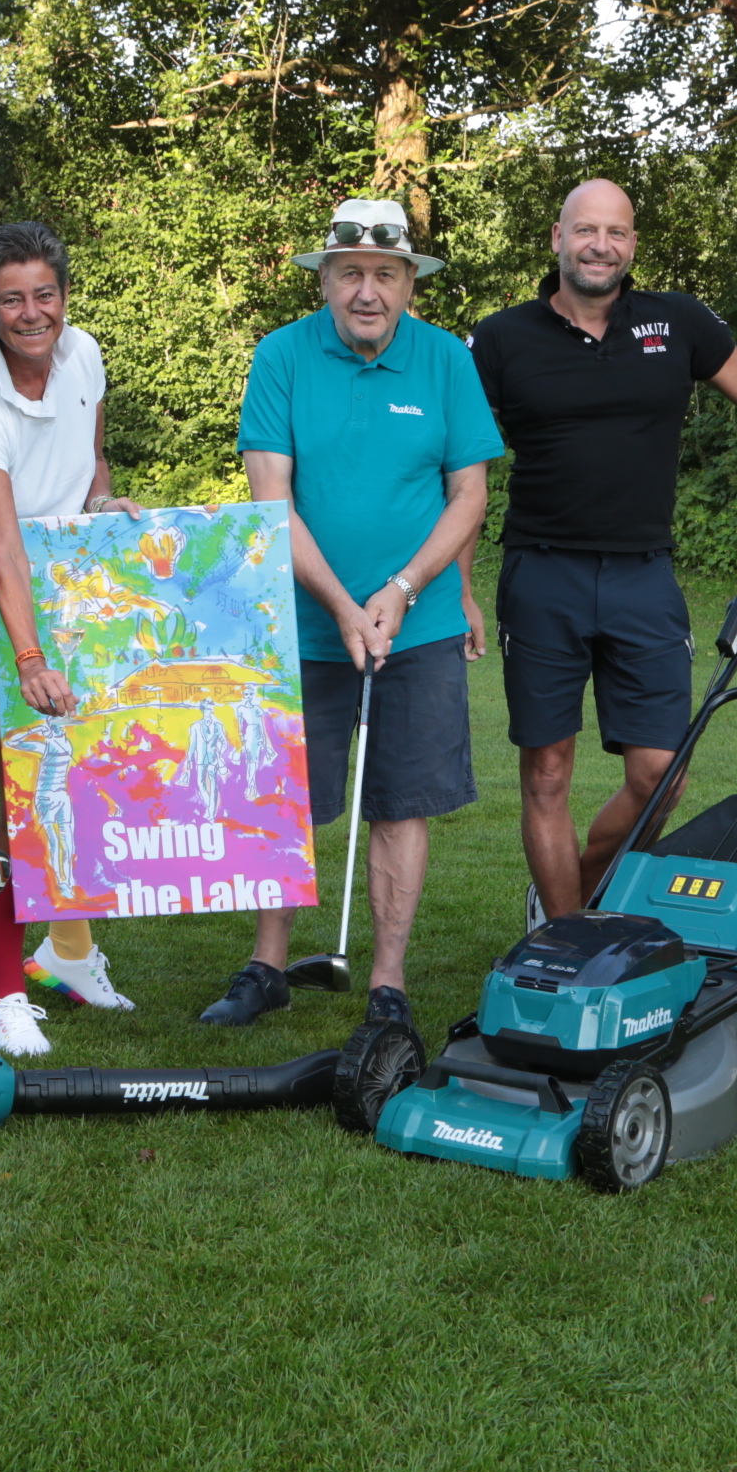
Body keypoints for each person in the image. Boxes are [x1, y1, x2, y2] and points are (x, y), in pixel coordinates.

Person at [469, 178, 737, 925]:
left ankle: (571, 898)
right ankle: (563, 940)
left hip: (642, 576)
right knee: (547, 773)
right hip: (541, 574)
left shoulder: (678, 320)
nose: (600, 246)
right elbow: (458, 465)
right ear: (557, 239)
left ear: (632, 245)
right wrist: (459, 584)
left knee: (662, 776)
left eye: (616, 232)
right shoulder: (501, 337)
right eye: (585, 230)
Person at [203, 197, 504, 1032]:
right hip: (301, 623)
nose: (366, 292)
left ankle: (387, 983)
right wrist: (341, 605)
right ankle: (267, 967)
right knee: (284, 801)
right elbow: (271, 498)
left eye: (384, 275)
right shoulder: (282, 355)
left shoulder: (446, 361)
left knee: (402, 802)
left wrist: (402, 589)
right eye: (349, 275)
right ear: (324, 281)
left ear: (408, 282)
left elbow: (469, 494)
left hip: (419, 623)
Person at [0, 221, 144, 1057]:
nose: (32, 314)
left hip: (72, 582)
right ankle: (2, 995)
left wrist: (99, 503)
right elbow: (2, 549)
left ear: (64, 296)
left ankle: (68, 954)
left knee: (85, 777)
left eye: (45, 295)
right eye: (12, 300)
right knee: (26, 795)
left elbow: (91, 459)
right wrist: (27, 658)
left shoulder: (84, 353)